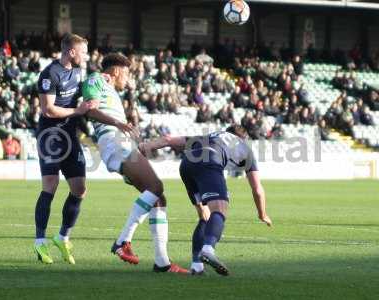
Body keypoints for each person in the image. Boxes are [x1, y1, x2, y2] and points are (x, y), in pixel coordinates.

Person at [82, 53, 188, 273]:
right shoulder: (96, 79)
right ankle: (122, 241)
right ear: (117, 70)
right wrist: (118, 123)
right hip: (112, 141)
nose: (128, 78)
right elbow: (90, 110)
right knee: (156, 187)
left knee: (158, 199)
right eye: (127, 72)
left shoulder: (112, 92)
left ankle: (162, 263)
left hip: (120, 142)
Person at [139, 125, 272, 276]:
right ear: (243, 138)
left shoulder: (207, 137)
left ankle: (197, 266)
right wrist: (262, 213)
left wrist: (146, 146)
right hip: (210, 161)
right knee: (220, 209)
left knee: (205, 215)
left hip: (186, 164)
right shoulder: (244, 147)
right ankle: (208, 249)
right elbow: (257, 190)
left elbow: (168, 140)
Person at [33, 33, 99, 264]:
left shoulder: (79, 72)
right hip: (51, 136)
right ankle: (40, 242)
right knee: (50, 185)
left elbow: (84, 97)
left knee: (80, 189)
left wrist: (95, 95)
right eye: (83, 51)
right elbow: (48, 110)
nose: (86, 55)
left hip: (70, 136)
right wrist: (77, 111)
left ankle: (62, 237)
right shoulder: (50, 74)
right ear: (71, 51)